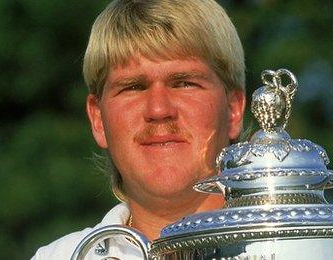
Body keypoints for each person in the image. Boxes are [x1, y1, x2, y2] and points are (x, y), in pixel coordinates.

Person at [32, 0, 246, 259]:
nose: (158, 110)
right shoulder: (58, 256)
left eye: (184, 83)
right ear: (98, 118)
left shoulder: (299, 243)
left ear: (234, 109)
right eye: (133, 87)